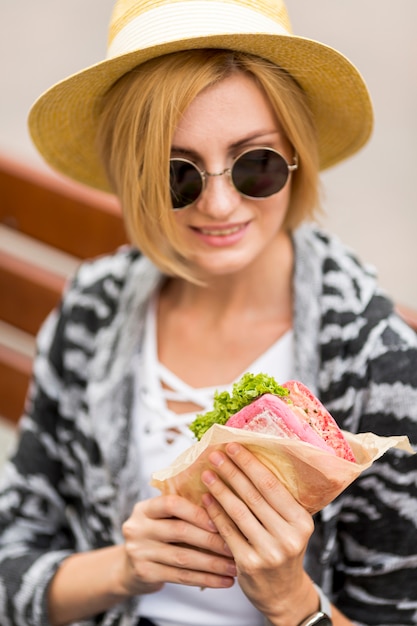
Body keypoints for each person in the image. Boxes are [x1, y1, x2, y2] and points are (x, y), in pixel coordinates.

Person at [0, 0, 416, 624]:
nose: (220, 206)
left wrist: (291, 599)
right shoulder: (94, 311)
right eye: (177, 175)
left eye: (255, 164)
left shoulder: (378, 362)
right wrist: (124, 567)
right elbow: (15, 554)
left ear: (296, 156)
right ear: (132, 179)